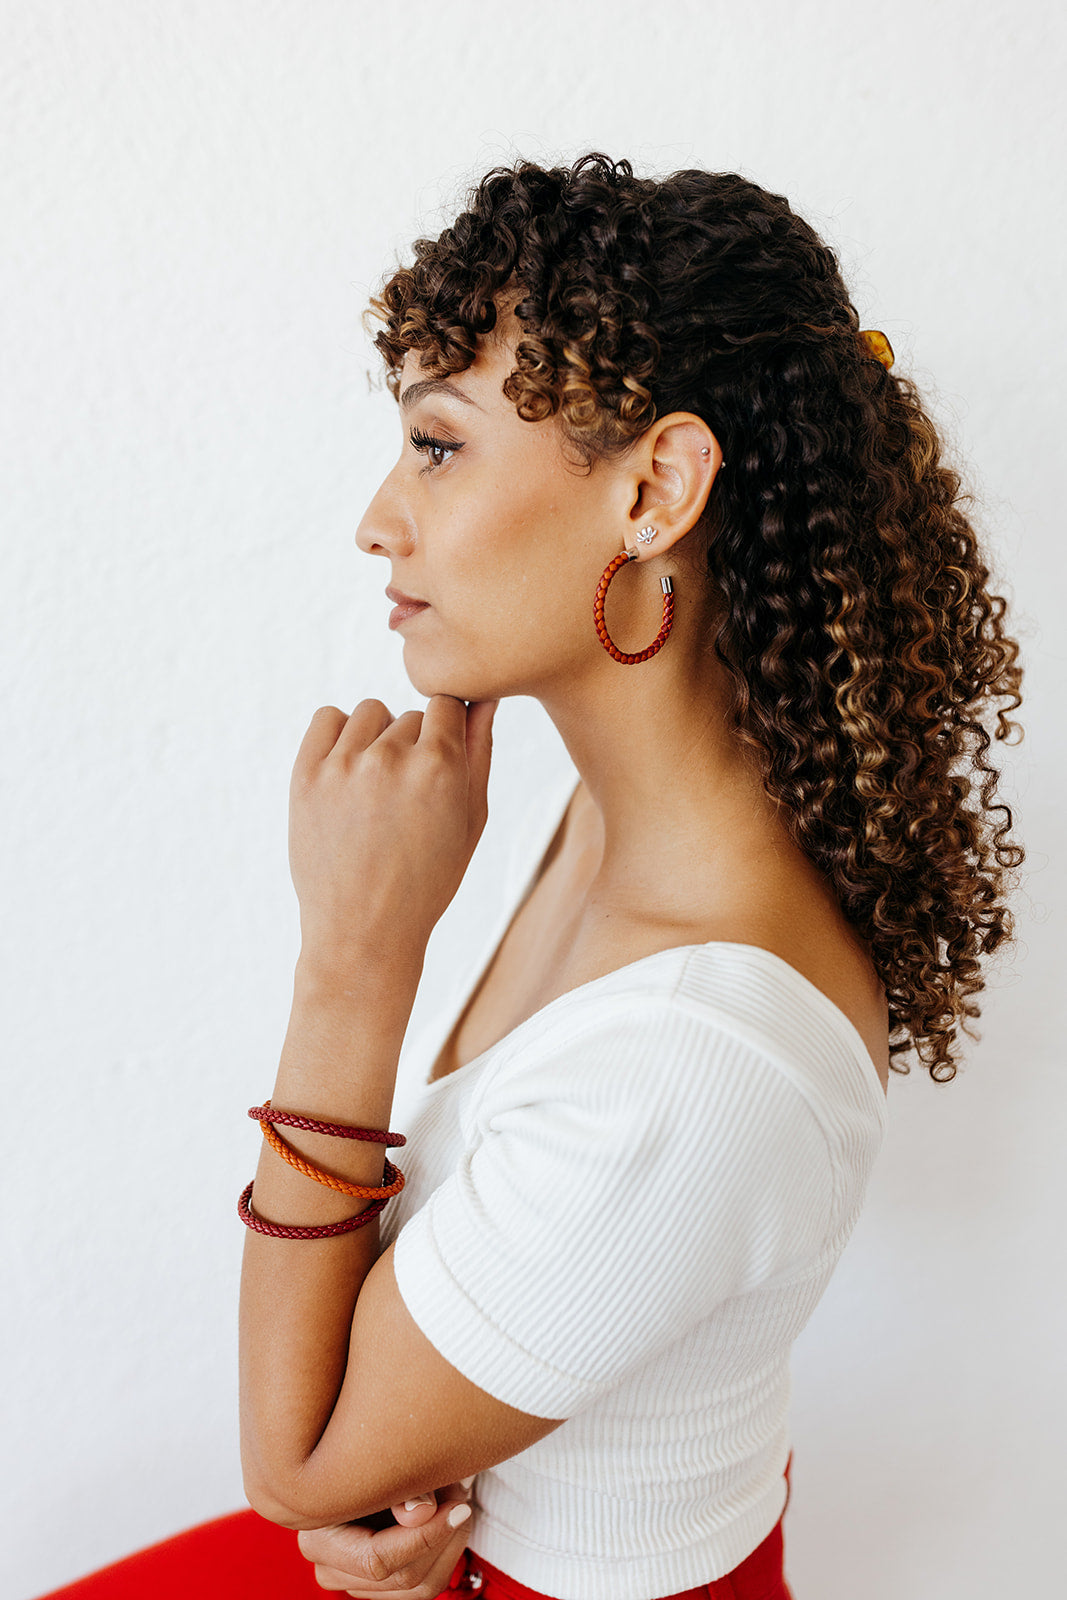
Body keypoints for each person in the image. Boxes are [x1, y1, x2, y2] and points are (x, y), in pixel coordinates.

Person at [40, 152, 1023, 1600]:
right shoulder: (631, 820)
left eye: (438, 447)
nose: (380, 518)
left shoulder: (700, 1056)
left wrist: (354, 964)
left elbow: (299, 1465)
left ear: (657, 490)